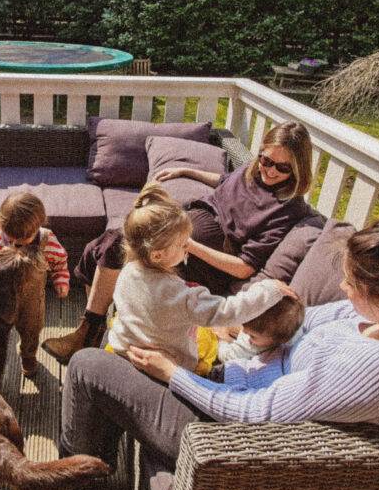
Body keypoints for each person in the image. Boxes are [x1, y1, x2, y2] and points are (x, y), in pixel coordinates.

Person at [57, 207, 379, 478]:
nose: (341, 288)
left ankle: (73, 480)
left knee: (89, 364)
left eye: (351, 284)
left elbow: (251, 414)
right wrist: (243, 330)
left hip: (221, 436)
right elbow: (301, 323)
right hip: (231, 377)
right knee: (124, 346)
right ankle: (97, 463)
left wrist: (173, 373)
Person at [42, 121, 315, 365]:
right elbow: (223, 181)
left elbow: (244, 268)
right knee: (110, 241)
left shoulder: (287, 208)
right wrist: (186, 171)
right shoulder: (252, 173)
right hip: (182, 235)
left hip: (201, 258)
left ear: (298, 169)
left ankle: (89, 332)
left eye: (282, 167)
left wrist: (188, 245)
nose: (269, 170)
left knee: (115, 245)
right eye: (266, 160)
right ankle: (93, 327)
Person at [105, 184, 295, 376]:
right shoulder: (183, 297)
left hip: (123, 347)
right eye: (183, 245)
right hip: (168, 364)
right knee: (208, 344)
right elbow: (227, 311)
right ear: (157, 256)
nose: (188, 248)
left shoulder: (127, 271)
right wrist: (270, 290)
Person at [0, 191, 70, 298]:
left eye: (24, 239)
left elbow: (60, 265)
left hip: (33, 296)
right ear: (0, 226)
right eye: (10, 239)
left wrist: (61, 280)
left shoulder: (48, 241)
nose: (15, 243)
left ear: (38, 226)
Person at [211, 292, 305, 365]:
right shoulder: (293, 322)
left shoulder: (253, 345)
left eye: (252, 336)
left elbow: (226, 356)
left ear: (277, 340)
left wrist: (222, 339)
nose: (244, 331)